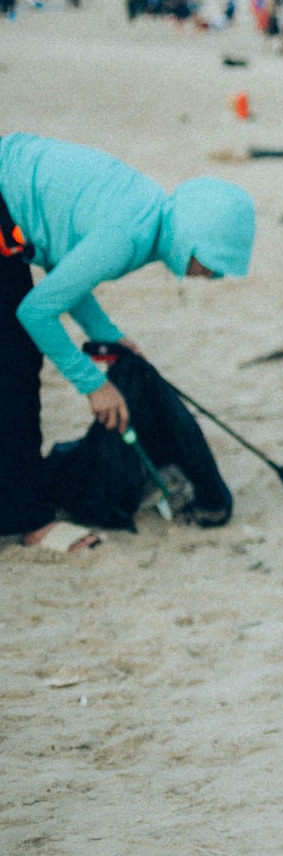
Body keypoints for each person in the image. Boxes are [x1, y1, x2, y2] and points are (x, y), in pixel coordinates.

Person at [1, 133, 254, 557]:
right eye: (213, 264)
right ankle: (32, 521)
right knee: (13, 367)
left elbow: (65, 270)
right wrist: (92, 385)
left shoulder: (147, 210)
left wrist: (106, 335)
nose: (213, 277)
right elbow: (36, 312)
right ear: (192, 239)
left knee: (17, 361)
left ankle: (23, 506)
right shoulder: (128, 238)